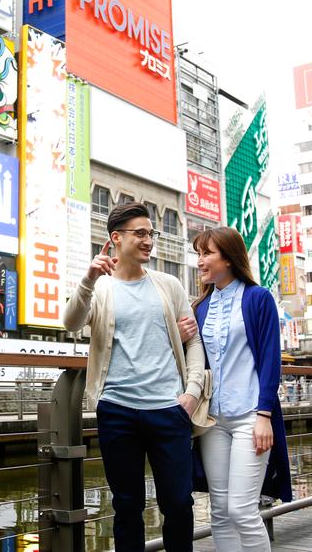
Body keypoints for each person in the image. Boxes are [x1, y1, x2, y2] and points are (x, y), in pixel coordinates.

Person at [64, 202, 210, 551]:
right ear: (116, 238)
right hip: (117, 410)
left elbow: (193, 342)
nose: (148, 240)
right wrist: (87, 279)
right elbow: (70, 323)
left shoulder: (169, 285)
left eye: (151, 233)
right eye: (140, 233)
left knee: (178, 502)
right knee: (126, 505)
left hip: (169, 409)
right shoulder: (100, 288)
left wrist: (191, 392)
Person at [181, 227, 292, 552]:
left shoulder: (258, 298)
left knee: (242, 510)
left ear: (228, 258)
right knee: (219, 511)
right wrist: (179, 331)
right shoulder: (199, 307)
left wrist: (264, 416)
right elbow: (192, 358)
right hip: (213, 422)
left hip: (250, 418)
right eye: (199, 254)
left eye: (207, 253)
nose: (200, 261)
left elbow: (271, 361)